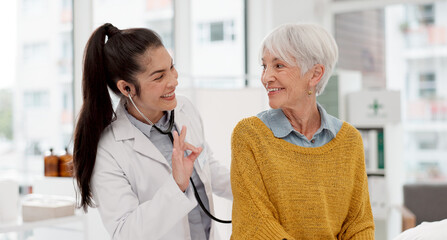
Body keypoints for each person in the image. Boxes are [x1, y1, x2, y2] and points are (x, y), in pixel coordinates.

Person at [73, 23, 232, 240]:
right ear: (126, 88)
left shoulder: (185, 109)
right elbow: (125, 232)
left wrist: (259, 188)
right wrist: (177, 186)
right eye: (159, 77)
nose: (174, 81)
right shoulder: (109, 150)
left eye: (172, 68)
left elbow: (208, 167)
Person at [230, 23, 375, 239]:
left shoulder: (349, 140)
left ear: (315, 74)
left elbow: (359, 224)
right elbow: (255, 223)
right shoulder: (250, 135)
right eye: (264, 66)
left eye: (278, 66)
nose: (266, 77)